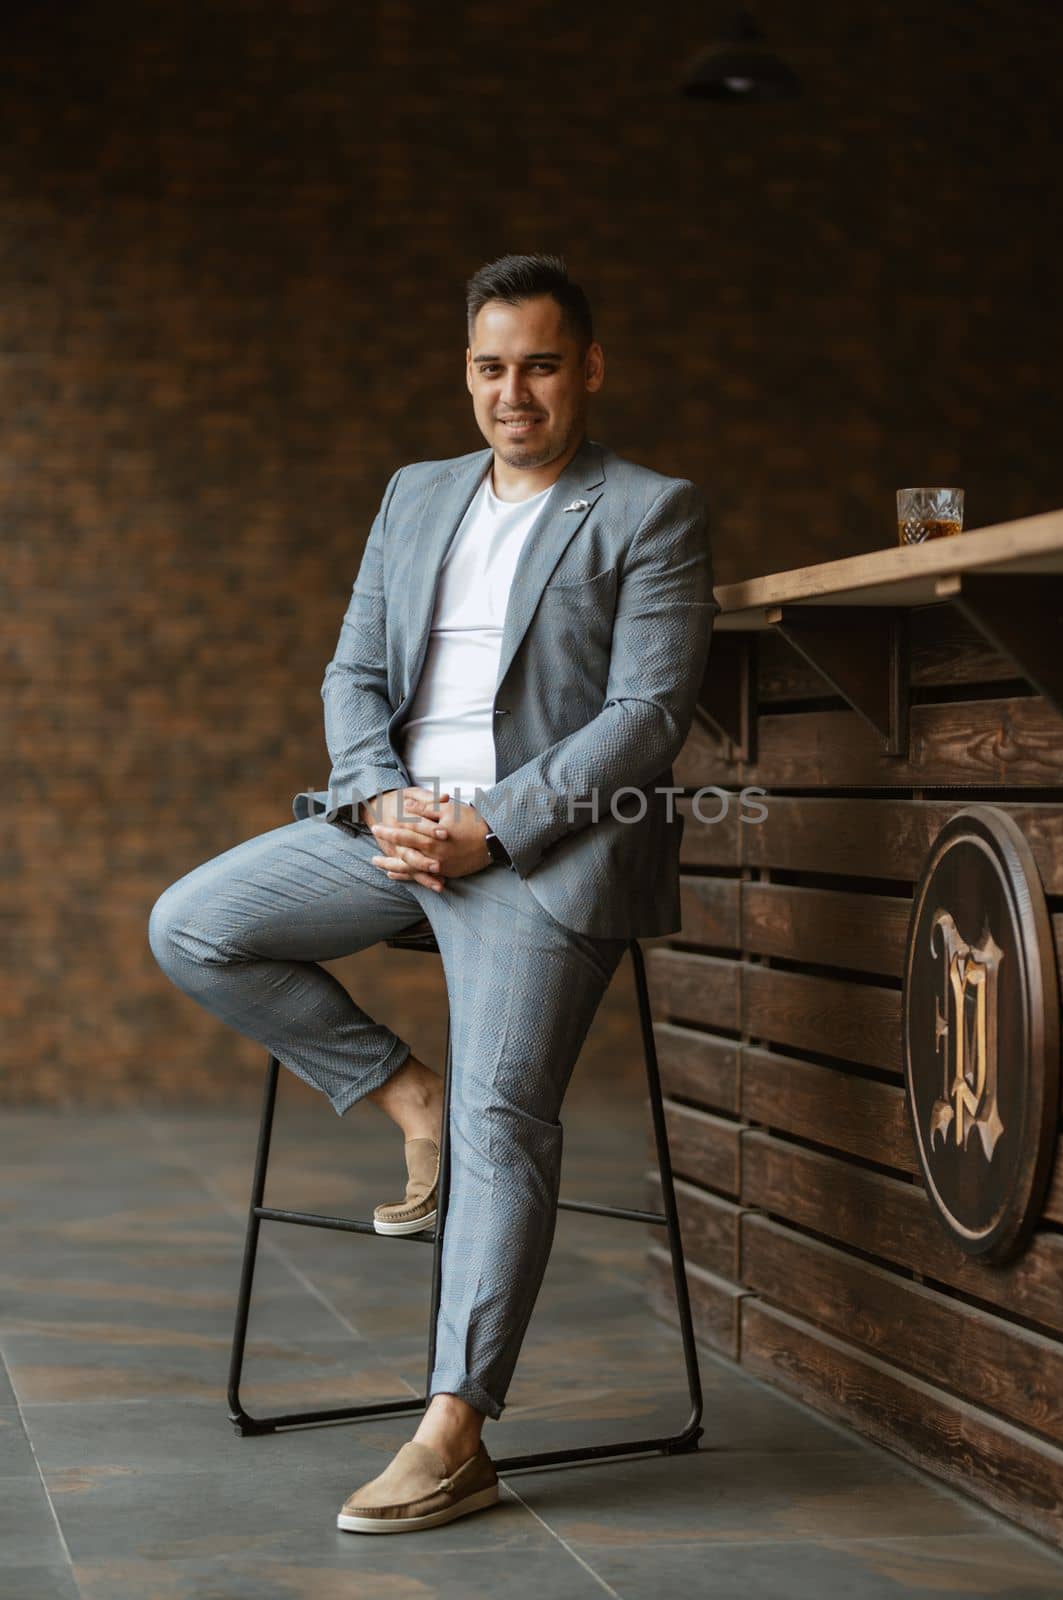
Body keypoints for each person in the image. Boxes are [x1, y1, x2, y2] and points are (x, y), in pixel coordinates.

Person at [147, 252, 720, 1533]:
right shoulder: (416, 494)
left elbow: (648, 715)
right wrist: (379, 799)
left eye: (540, 364)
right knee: (191, 923)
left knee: (506, 1119)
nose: (512, 392)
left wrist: (492, 823)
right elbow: (353, 671)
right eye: (489, 366)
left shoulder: (648, 508)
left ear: (590, 369)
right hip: (393, 832)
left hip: (542, 851)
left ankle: (455, 1431)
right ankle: (409, 1098)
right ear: (467, 371)